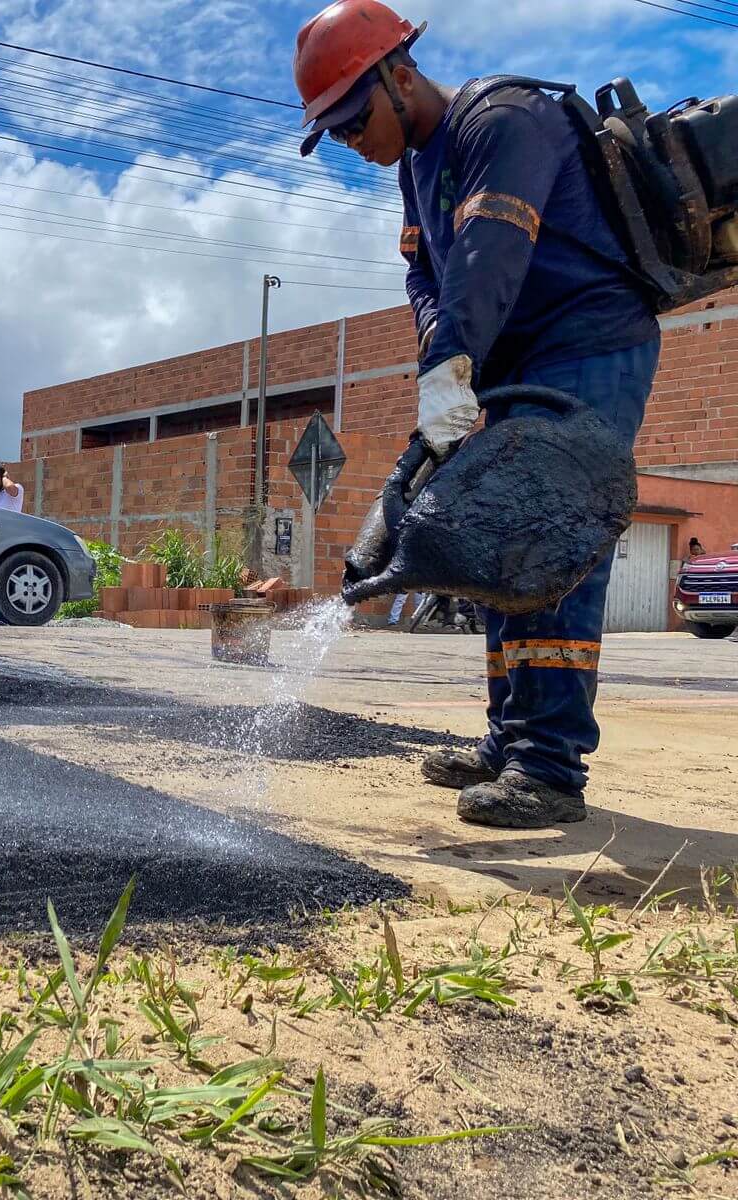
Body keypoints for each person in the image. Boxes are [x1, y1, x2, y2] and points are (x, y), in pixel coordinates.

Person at [295, 1, 662, 829]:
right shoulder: (413, 171)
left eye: (356, 119)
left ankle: (549, 766)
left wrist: (450, 369)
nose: (354, 141)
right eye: (337, 132)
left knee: (548, 531)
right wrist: (444, 358)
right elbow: (426, 280)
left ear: (401, 74)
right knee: (483, 538)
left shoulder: (503, 120)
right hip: (504, 358)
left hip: (588, 343)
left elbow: (490, 259)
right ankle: (509, 739)